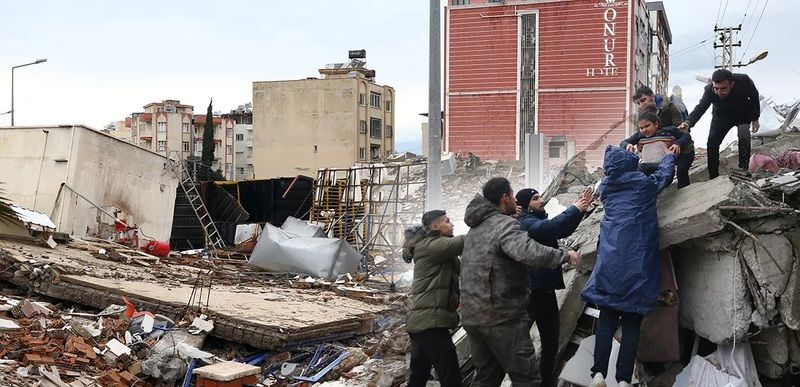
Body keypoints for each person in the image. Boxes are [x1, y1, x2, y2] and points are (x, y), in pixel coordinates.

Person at [460, 177, 581, 387]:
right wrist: (564, 255)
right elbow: (529, 252)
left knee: (486, 377)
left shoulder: (476, 228)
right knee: (527, 379)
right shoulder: (504, 225)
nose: (516, 202)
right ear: (505, 198)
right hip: (501, 318)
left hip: (473, 316)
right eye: (512, 196)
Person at [582, 146, 676, 387]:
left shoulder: (606, 187)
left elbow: (622, 171)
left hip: (610, 262)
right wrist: (668, 156)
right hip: (638, 263)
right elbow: (664, 176)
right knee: (632, 323)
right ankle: (624, 380)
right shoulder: (643, 185)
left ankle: (598, 375)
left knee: (607, 320)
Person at [515, 187, 593, 387]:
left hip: (545, 291)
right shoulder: (524, 222)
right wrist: (574, 209)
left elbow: (561, 229)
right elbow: (548, 228)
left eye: (540, 197)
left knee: (550, 343)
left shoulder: (537, 219)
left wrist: (579, 210)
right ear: (524, 205)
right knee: (518, 345)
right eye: (535, 199)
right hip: (531, 293)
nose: (541, 201)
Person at [404, 210, 464, 387]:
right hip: (431, 323)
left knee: (418, 378)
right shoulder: (433, 245)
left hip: (423, 323)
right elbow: (466, 241)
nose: (452, 224)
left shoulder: (435, 247)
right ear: (435, 226)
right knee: (451, 377)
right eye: (447, 221)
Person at [678, 69, 761, 179]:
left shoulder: (744, 81)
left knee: (744, 135)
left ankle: (743, 169)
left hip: (743, 114)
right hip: (721, 116)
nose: (719, 92)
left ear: (732, 84)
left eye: (723, 89)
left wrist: (756, 118)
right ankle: (713, 176)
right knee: (712, 143)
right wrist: (688, 123)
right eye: (716, 88)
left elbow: (754, 96)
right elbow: (700, 108)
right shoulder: (709, 90)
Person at [621, 110, 694, 188]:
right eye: (641, 128)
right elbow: (623, 142)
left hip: (666, 167)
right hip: (649, 167)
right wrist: (628, 145)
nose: (644, 130)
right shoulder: (639, 136)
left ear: (656, 124)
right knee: (639, 171)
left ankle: (684, 191)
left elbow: (686, 135)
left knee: (682, 170)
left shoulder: (669, 131)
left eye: (647, 126)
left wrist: (678, 144)